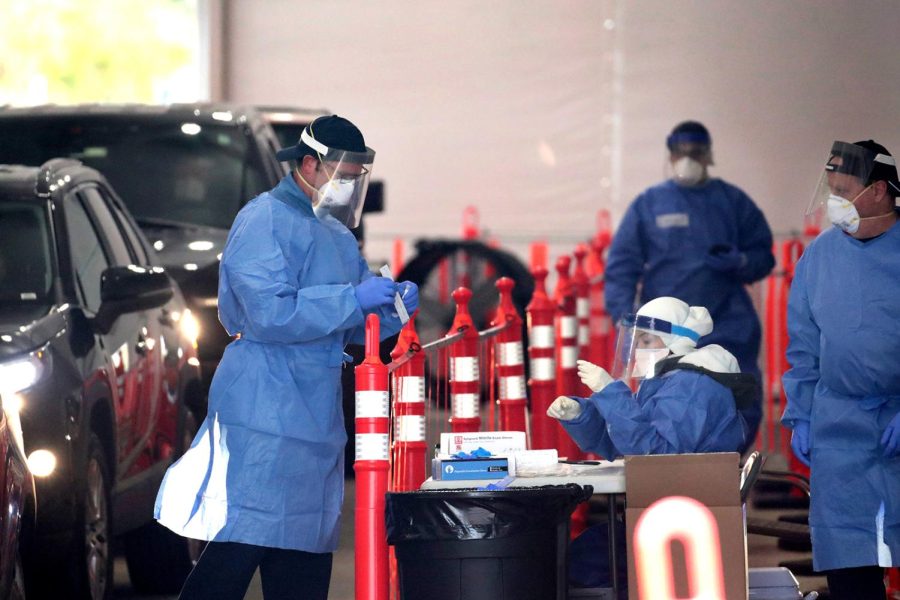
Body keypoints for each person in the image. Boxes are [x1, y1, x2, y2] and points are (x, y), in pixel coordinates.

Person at [154, 115, 418, 600]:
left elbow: (358, 325)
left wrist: (393, 308)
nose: (348, 186)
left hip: (314, 413)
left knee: (303, 550)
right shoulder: (263, 220)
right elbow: (269, 314)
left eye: (357, 178)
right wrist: (352, 300)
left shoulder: (336, 235)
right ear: (310, 164)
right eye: (344, 174)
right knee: (243, 539)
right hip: (265, 408)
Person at [603, 121, 773, 449]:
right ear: (670, 155)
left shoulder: (733, 202)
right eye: (681, 154)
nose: (688, 160)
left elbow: (762, 254)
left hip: (727, 323)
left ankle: (725, 470)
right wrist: (627, 320)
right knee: (661, 404)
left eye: (695, 154)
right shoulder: (650, 204)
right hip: (664, 333)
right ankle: (670, 468)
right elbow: (622, 265)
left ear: (708, 156)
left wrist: (741, 262)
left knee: (738, 399)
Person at [781, 139, 900, 600]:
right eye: (829, 188)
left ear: (878, 190)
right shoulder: (819, 257)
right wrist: (803, 415)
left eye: (843, 189)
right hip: (839, 432)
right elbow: (804, 346)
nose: (834, 201)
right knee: (851, 566)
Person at [547, 296, 752, 458]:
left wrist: (610, 392)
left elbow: (657, 454)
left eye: (646, 341)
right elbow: (623, 436)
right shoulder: (666, 381)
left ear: (675, 342)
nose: (637, 350)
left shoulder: (691, 386)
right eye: (635, 342)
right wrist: (581, 414)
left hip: (693, 496)